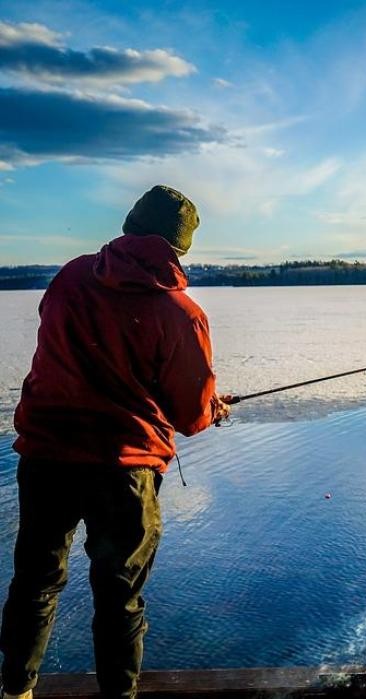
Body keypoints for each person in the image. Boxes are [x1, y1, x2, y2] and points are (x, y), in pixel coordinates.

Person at [0, 186, 231, 699]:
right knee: (120, 597)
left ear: (129, 225)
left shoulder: (69, 278)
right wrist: (213, 407)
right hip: (123, 469)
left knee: (35, 582)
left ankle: (15, 690)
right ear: (180, 247)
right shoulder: (182, 314)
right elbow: (191, 416)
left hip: (46, 457)